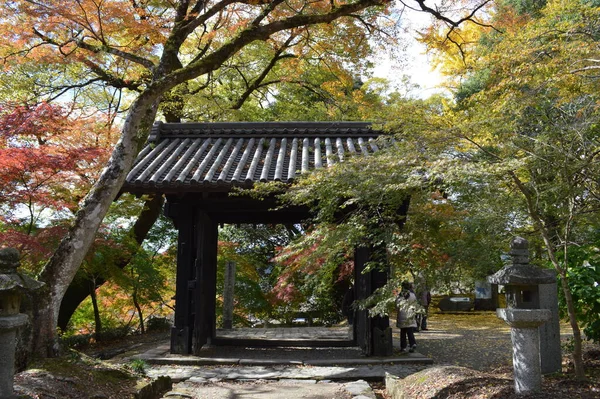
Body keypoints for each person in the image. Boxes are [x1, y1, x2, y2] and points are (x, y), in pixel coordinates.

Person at [396, 281, 418, 353]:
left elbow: (397, 305)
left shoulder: (400, 296)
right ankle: (412, 344)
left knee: (403, 332)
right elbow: (415, 305)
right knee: (410, 331)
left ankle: (403, 347)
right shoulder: (412, 295)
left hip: (402, 315)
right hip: (410, 315)